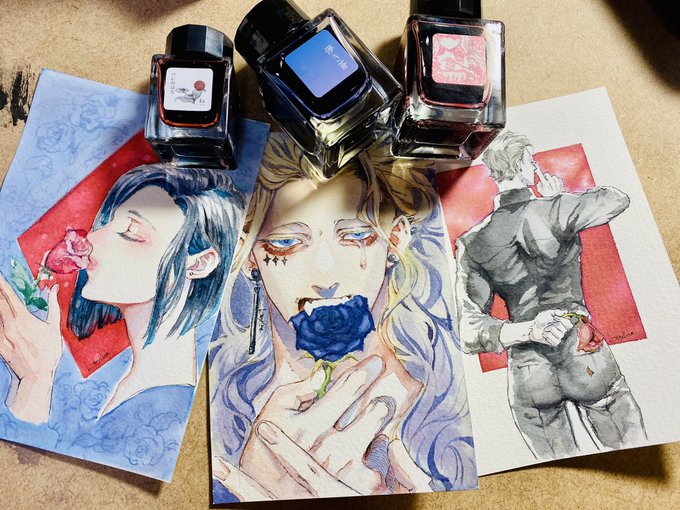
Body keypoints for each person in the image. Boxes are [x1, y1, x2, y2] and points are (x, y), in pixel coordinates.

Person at [209, 136, 476, 501]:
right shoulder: (225, 415)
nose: (326, 275)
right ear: (248, 253)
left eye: (356, 236)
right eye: (286, 243)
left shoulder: (447, 409)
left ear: (396, 238)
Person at [0, 164, 244, 478]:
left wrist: (35, 381)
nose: (92, 240)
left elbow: (57, 485)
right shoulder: (125, 383)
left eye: (131, 234)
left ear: (198, 264)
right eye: (106, 223)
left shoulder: (163, 417)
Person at [454, 131, 646, 460]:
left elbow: (468, 329)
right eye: (531, 162)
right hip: (584, 355)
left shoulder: (472, 242)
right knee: (632, 456)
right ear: (520, 165)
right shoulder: (556, 208)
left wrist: (529, 329)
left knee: (560, 470)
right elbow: (617, 199)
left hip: (529, 373)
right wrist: (559, 197)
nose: (535, 168)